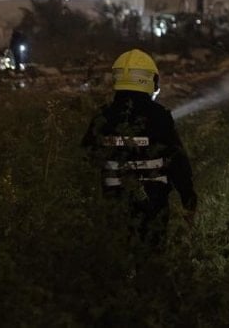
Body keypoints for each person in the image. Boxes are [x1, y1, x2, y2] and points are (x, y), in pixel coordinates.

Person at [82, 49, 197, 251]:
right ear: (151, 80)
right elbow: (177, 160)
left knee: (117, 256)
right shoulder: (159, 116)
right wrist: (189, 200)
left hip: (113, 203)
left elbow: (85, 157)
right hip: (154, 205)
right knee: (151, 259)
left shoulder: (103, 116)